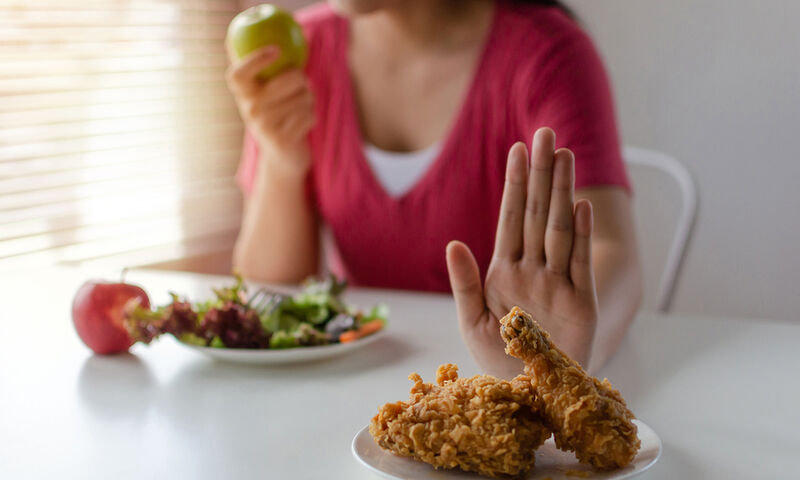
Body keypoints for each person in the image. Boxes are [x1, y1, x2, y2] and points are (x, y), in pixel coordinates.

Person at [226, 0, 642, 376]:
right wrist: (281, 162)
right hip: (354, 381)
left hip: (495, 376)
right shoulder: (300, 50)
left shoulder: (549, 52)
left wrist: (555, 362)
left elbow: (613, 254)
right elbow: (272, 292)